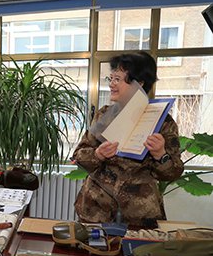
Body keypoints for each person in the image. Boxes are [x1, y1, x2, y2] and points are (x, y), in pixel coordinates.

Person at [72, 52, 184, 227]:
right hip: (95, 211)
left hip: (139, 216)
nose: (111, 84)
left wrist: (161, 155)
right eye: (111, 78)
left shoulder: (163, 122)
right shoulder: (104, 115)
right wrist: (98, 154)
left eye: (117, 79)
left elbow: (173, 173)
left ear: (139, 83)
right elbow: (78, 156)